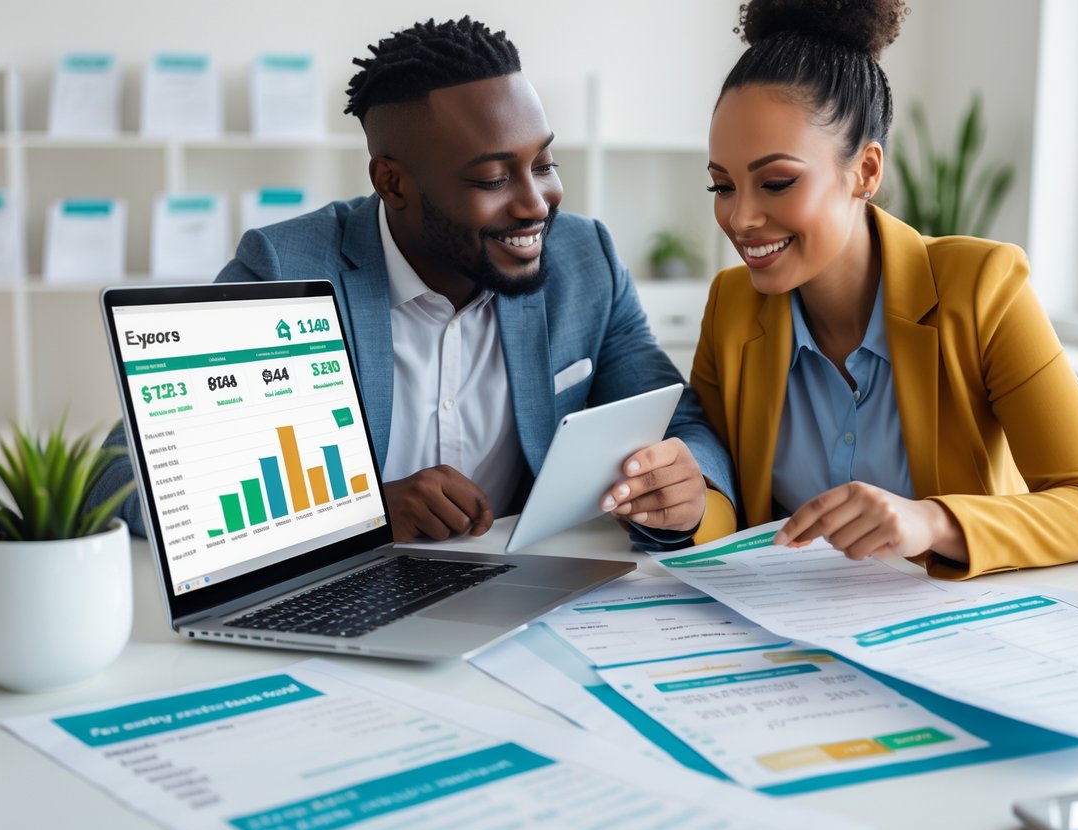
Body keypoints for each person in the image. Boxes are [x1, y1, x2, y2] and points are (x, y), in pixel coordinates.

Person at [96, 16, 736, 549]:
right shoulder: (281, 269)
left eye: (543, 163)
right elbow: (121, 476)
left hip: (519, 592)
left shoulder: (583, 260)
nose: (536, 203)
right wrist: (358, 513)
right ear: (393, 182)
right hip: (344, 592)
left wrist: (687, 484)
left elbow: (680, 420)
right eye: (492, 178)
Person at [693, 0, 1078, 578]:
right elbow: (723, 497)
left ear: (866, 172)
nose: (740, 218)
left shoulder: (982, 290)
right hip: (787, 636)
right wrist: (687, 504)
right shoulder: (732, 305)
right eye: (722, 186)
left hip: (957, 631)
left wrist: (932, 522)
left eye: (776, 183)